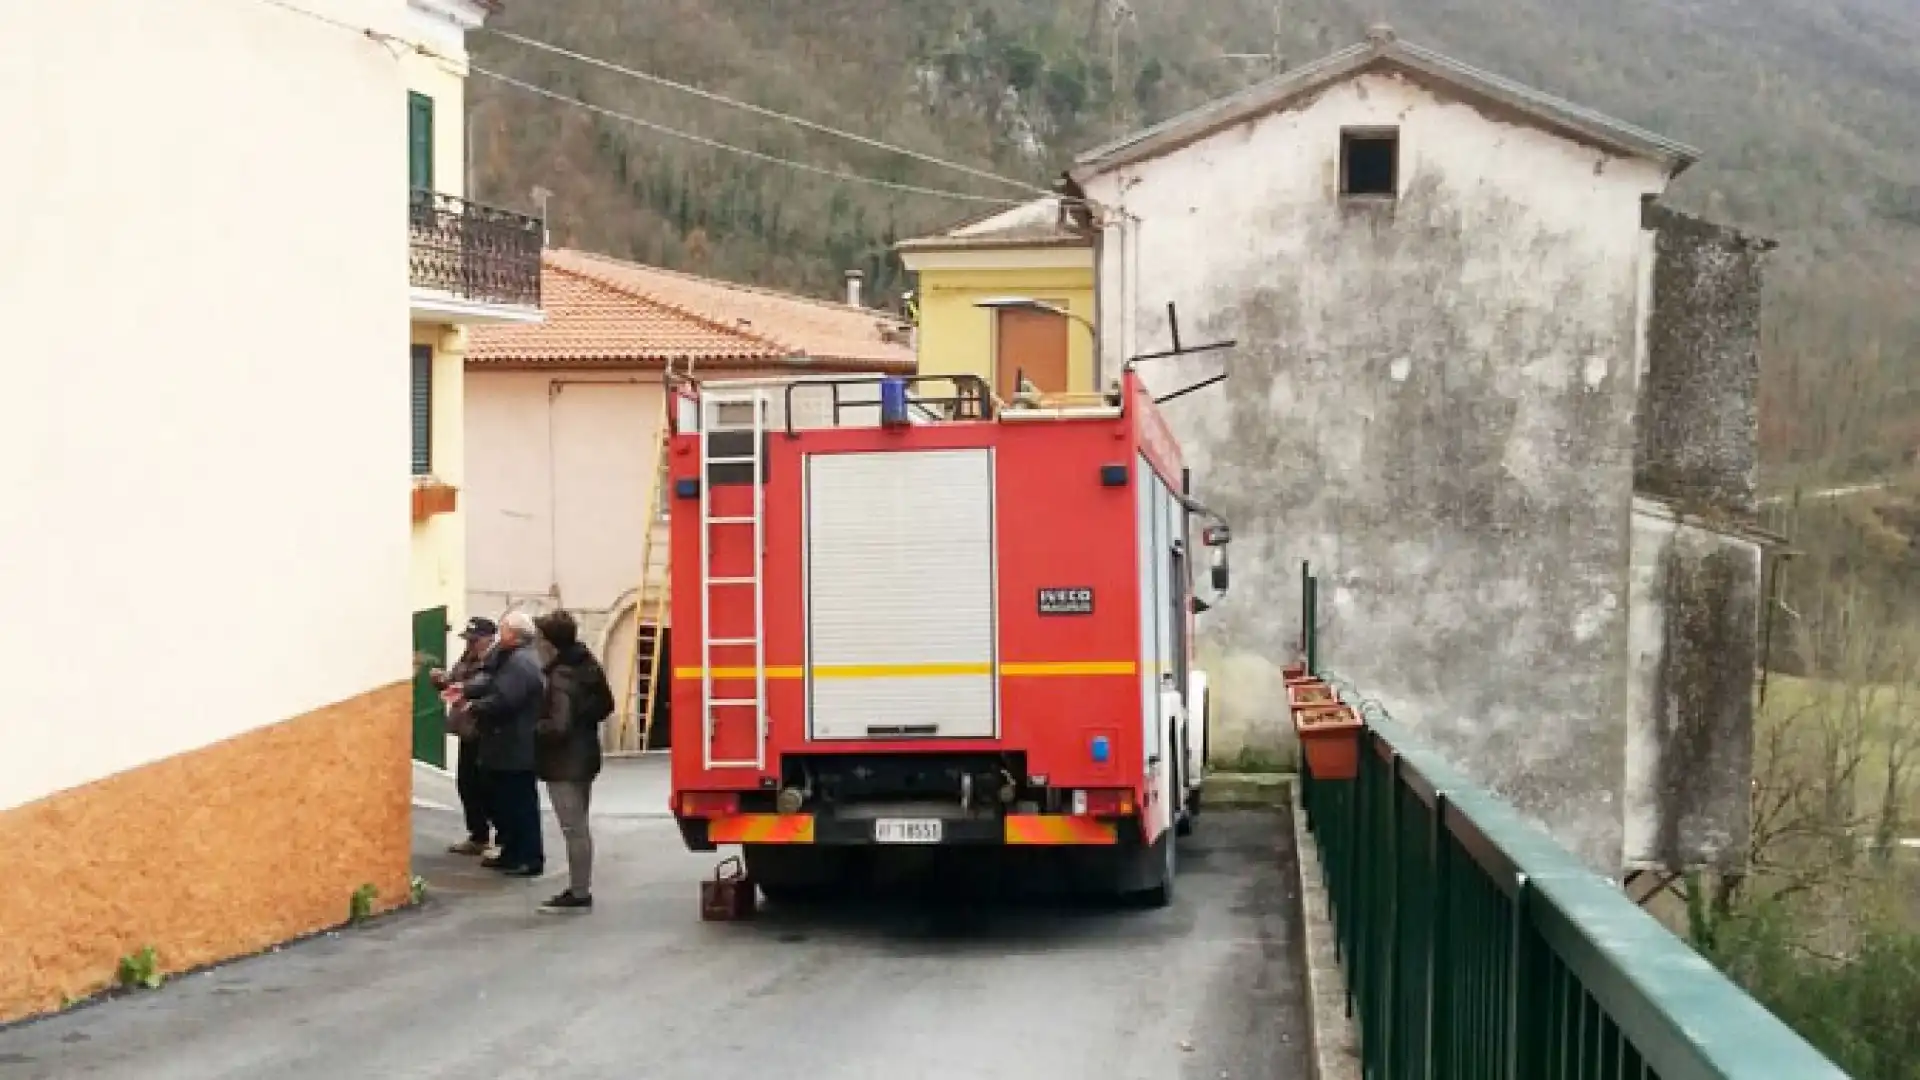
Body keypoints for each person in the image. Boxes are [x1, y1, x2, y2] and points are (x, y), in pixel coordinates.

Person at [533, 609, 615, 913]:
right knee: (579, 825)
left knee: (574, 828)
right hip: (585, 754)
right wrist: (584, 719)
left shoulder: (560, 675)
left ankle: (579, 892)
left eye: (541, 638)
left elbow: (558, 725)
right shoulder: (587, 663)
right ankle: (580, 888)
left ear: (550, 643)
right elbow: (606, 705)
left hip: (564, 761)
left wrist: (535, 726)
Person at [459, 611, 546, 877]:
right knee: (504, 803)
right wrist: (465, 689)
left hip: (515, 746)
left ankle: (528, 857)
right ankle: (511, 852)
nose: (501, 633)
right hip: (504, 745)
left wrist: (472, 706)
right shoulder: (508, 658)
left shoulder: (521, 663)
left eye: (505, 629)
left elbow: (505, 700)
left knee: (519, 805)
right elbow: (487, 680)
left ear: (514, 635)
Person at [433, 616, 498, 857]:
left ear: (489, 639)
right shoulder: (467, 658)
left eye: (474, 640)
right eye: (468, 639)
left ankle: (497, 836)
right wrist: (442, 683)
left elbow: (483, 690)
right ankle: (478, 835)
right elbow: (456, 685)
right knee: (467, 784)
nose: (470, 644)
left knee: (488, 786)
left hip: (484, 730)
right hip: (466, 729)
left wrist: (460, 688)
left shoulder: (494, 661)